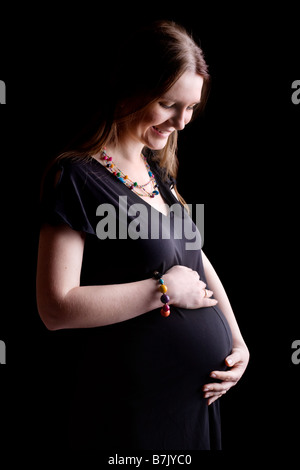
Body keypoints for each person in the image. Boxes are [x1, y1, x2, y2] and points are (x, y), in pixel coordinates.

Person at [36, 20, 249, 450]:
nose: (182, 122)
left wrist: (237, 339)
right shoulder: (77, 176)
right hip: (134, 412)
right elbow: (55, 307)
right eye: (170, 104)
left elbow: (196, 260)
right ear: (134, 87)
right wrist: (163, 289)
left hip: (194, 406)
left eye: (191, 108)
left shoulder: (159, 178)